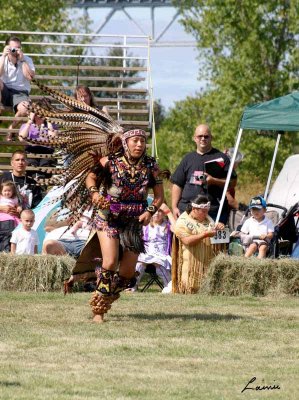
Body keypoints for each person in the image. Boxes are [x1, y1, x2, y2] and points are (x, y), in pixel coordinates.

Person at [84, 128, 164, 322]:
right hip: (108, 217)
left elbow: (160, 196)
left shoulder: (151, 166)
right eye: (135, 141)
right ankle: (98, 311)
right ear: (126, 143)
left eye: (142, 141)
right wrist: (95, 194)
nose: (139, 144)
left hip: (134, 222)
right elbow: (90, 176)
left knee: (127, 273)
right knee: (110, 262)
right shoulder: (110, 161)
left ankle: (105, 296)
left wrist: (149, 212)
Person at [171, 124, 237, 224]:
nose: (203, 139)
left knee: (211, 239)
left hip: (214, 211)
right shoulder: (187, 158)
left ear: (211, 138)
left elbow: (232, 182)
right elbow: (177, 184)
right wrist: (174, 207)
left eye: (206, 136)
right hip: (188, 210)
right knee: (188, 239)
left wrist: (214, 181)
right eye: (199, 136)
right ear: (194, 138)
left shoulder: (221, 158)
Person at [172, 194, 225, 294]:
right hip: (190, 266)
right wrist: (205, 234)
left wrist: (218, 227)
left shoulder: (208, 219)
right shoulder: (182, 222)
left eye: (207, 212)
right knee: (190, 287)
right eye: (203, 211)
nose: (205, 214)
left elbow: (215, 236)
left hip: (206, 263)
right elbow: (187, 241)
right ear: (194, 209)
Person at [128, 203, 175, 292]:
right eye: (155, 211)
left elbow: (177, 229)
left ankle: (168, 286)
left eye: (160, 211)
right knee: (139, 264)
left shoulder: (167, 226)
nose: (157, 213)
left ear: (164, 213)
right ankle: (132, 286)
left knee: (160, 265)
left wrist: (169, 212)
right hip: (147, 253)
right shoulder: (144, 225)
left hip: (161, 254)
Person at [0, 36, 35, 141]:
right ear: (7, 47)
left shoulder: (27, 59)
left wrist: (22, 60)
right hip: (4, 91)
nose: (15, 51)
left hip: (20, 93)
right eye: (12, 48)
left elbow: (30, 77)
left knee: (25, 108)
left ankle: (11, 129)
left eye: (18, 48)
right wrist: (3, 56)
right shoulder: (2, 59)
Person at [18, 109, 58, 174]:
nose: (39, 116)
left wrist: (49, 122)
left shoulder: (52, 126)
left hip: (47, 151)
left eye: (42, 113)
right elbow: (21, 138)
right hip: (31, 151)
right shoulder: (26, 125)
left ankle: (41, 179)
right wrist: (29, 121)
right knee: (31, 165)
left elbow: (52, 139)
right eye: (36, 114)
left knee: (46, 165)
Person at [0, 181, 22, 251]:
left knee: (14, 232)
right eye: (5, 191)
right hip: (4, 216)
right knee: (6, 234)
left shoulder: (14, 199)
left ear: (13, 192)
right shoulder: (1, 198)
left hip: (12, 217)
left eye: (9, 191)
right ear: (1, 191)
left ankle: (10, 248)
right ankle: (5, 249)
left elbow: (17, 205)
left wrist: (19, 208)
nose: (7, 192)